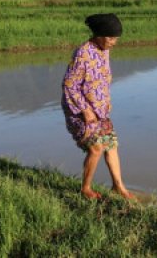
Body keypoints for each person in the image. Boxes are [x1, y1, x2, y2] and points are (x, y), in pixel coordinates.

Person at [61, 13, 133, 200]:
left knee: (111, 145)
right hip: (80, 112)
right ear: (99, 35)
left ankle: (119, 188)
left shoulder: (104, 50)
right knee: (96, 148)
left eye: (116, 38)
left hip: (100, 111)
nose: (113, 42)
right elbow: (69, 85)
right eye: (110, 38)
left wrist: (104, 104)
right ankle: (85, 189)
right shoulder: (82, 53)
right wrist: (85, 110)